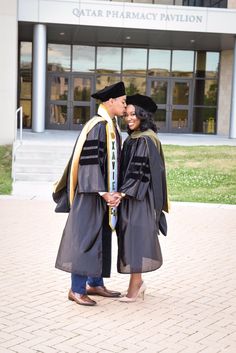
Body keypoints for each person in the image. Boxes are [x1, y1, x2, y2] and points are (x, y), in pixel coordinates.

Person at [53, 81, 126, 306]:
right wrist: (104, 192)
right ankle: (76, 289)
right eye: (123, 102)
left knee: (103, 236)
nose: (125, 106)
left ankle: (95, 283)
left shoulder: (111, 124)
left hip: (104, 195)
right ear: (111, 101)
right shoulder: (97, 126)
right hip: (90, 193)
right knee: (86, 238)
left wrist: (116, 192)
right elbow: (89, 164)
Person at [116, 94, 169, 302]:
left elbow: (140, 172)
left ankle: (135, 286)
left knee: (135, 239)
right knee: (131, 238)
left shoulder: (145, 139)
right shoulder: (135, 136)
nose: (129, 118)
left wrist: (123, 192)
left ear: (143, 116)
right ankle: (137, 283)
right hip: (133, 196)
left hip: (139, 197)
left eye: (133, 115)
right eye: (127, 114)